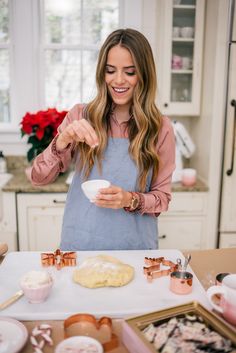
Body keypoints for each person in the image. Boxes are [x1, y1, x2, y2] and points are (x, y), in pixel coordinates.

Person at [30, 28, 175, 251]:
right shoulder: (80, 116)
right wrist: (62, 140)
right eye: (110, 70)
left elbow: (162, 199)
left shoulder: (160, 127)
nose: (118, 80)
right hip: (81, 246)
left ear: (144, 74)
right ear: (101, 72)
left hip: (135, 250)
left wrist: (130, 199)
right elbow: (38, 178)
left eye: (130, 72)